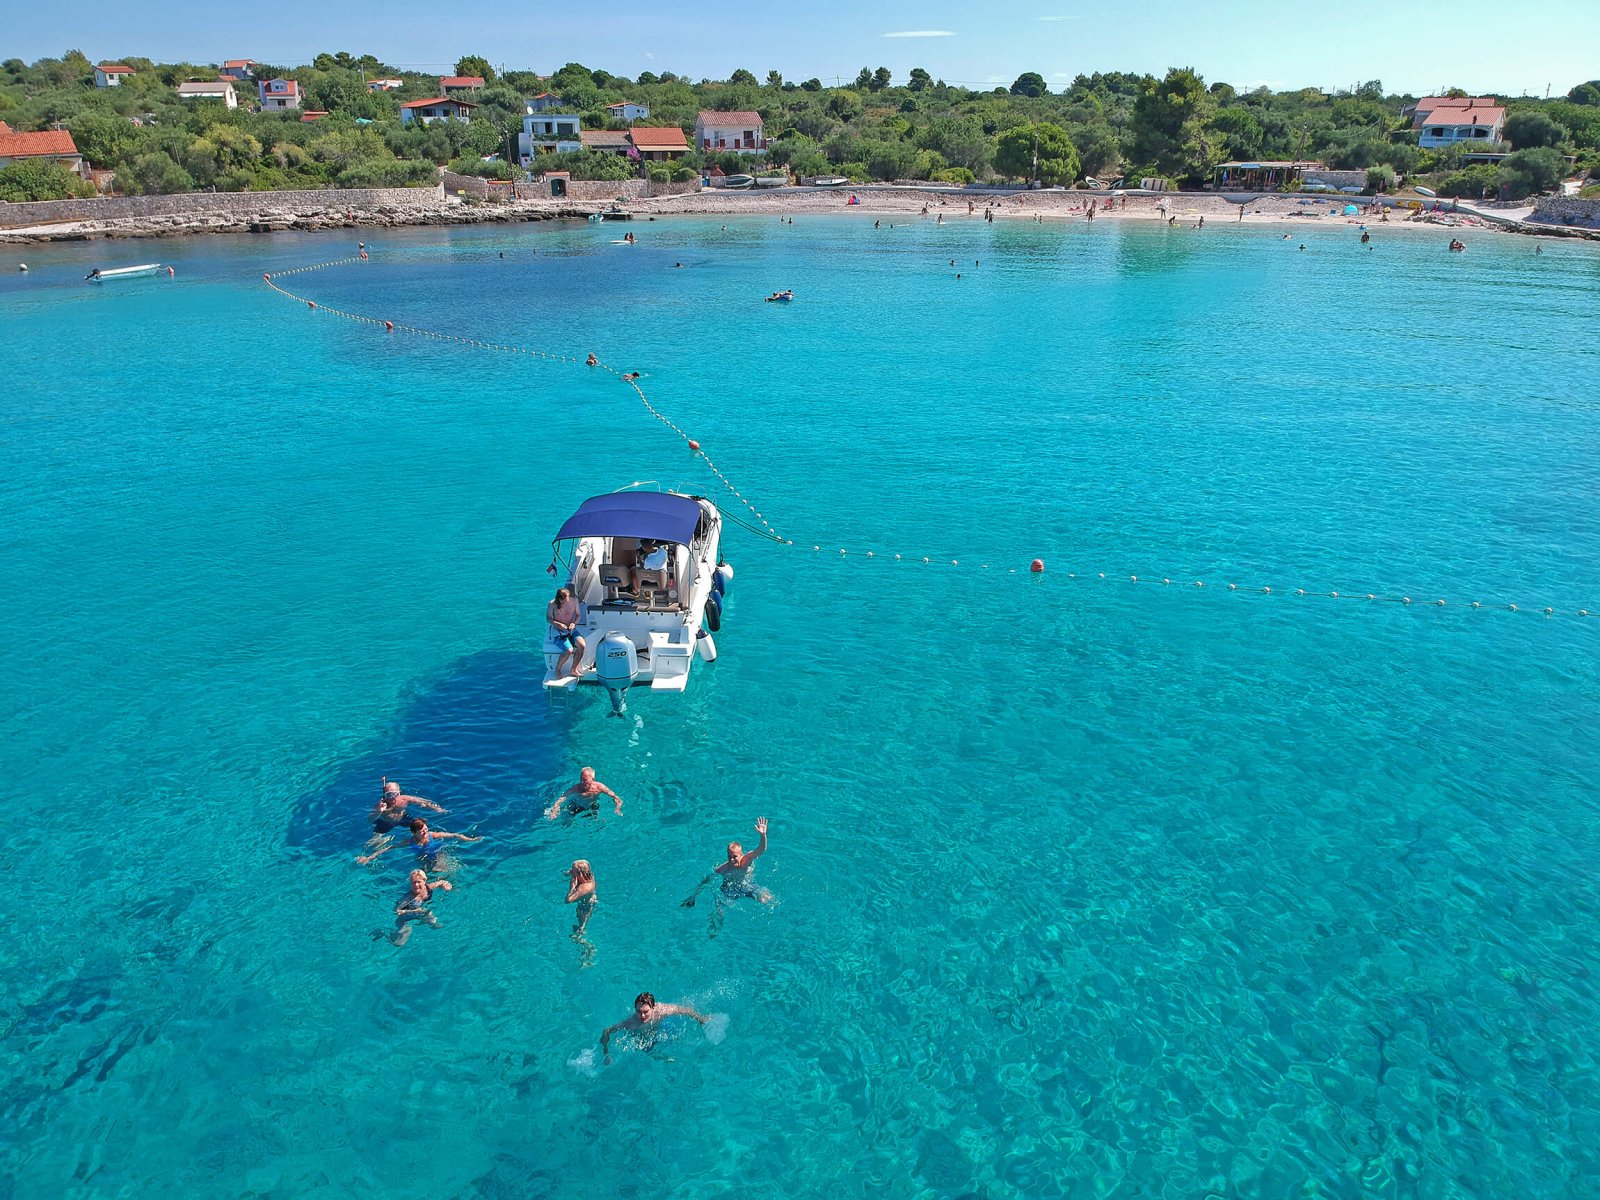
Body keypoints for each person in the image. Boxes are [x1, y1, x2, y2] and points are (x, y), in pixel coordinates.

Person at [682, 817, 772, 912]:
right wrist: (693, 897)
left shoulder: (747, 859)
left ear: (741, 855)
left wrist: (763, 835)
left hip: (747, 885)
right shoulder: (723, 869)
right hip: (730, 889)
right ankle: (716, 925)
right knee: (718, 909)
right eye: (729, 856)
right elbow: (705, 881)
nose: (732, 859)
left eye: (735, 856)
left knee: (766, 899)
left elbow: (761, 849)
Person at [600, 992, 708, 1063]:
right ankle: (664, 1058)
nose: (642, 1016)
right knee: (648, 1052)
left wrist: (701, 1020)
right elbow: (606, 1031)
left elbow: (686, 1010)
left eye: (645, 1012)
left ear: (653, 1007)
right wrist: (606, 1054)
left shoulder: (662, 1010)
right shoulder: (630, 1023)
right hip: (642, 1036)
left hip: (659, 1028)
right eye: (638, 1011)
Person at [356, 818, 482, 868]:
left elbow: (454, 835)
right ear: (414, 832)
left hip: (438, 857)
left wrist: (470, 840)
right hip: (422, 861)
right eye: (422, 831)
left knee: (446, 872)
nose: (425, 832)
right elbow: (389, 847)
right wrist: (369, 858)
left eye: (426, 829)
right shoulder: (409, 841)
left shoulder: (432, 835)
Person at [380, 869, 452, 946]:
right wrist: (413, 911)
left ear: (424, 881)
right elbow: (396, 911)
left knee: (437, 925)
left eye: (418, 882)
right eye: (413, 883)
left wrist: (446, 886)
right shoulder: (408, 898)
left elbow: (440, 882)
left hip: (421, 913)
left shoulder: (428, 887)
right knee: (398, 943)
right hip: (405, 919)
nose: (416, 885)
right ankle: (384, 932)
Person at [371, 778, 446, 834]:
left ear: (398, 793)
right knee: (376, 839)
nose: (391, 797)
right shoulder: (381, 804)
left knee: (421, 827)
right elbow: (370, 819)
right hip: (386, 822)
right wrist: (379, 811)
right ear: (385, 794)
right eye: (388, 794)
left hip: (403, 818)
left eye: (393, 794)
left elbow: (423, 801)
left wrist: (436, 808)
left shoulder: (404, 799)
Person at [547, 766, 622, 819]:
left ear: (593, 779)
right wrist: (555, 809)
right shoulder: (576, 788)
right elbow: (562, 798)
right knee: (567, 821)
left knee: (596, 821)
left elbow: (617, 799)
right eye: (581, 779)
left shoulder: (600, 787)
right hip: (578, 806)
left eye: (585, 779)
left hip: (593, 805)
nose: (582, 782)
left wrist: (617, 808)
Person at [547, 586, 585, 678]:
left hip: (571, 629)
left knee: (582, 645)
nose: (565, 602)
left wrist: (574, 623)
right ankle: (558, 670)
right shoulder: (552, 604)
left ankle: (573, 669)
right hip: (559, 632)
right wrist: (557, 623)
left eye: (566, 599)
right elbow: (548, 618)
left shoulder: (574, 601)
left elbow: (578, 615)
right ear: (558, 599)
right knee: (568, 650)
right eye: (563, 601)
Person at [566, 859, 597, 936]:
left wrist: (572, 888)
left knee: (581, 926)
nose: (571, 871)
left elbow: (568, 901)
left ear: (580, 874)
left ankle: (584, 942)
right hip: (588, 897)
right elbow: (569, 872)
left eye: (573, 871)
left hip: (586, 906)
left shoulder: (583, 888)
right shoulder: (589, 875)